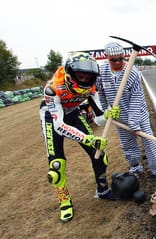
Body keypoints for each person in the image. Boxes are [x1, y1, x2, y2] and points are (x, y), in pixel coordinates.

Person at [39, 52, 116, 223]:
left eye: (89, 77)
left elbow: (98, 119)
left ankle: (102, 190)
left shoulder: (91, 87)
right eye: (81, 76)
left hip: (74, 113)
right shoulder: (52, 89)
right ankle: (64, 201)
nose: (85, 80)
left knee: (99, 154)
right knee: (56, 166)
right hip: (52, 118)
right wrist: (87, 138)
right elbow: (59, 126)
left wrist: (108, 114)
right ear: (71, 74)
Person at [96, 42, 156, 177]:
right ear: (106, 57)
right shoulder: (102, 72)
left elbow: (136, 98)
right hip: (118, 115)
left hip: (138, 113)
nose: (117, 62)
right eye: (113, 60)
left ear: (124, 56)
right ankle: (135, 167)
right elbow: (101, 94)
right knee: (127, 143)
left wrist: (134, 123)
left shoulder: (132, 72)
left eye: (120, 59)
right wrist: (106, 111)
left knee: (149, 141)